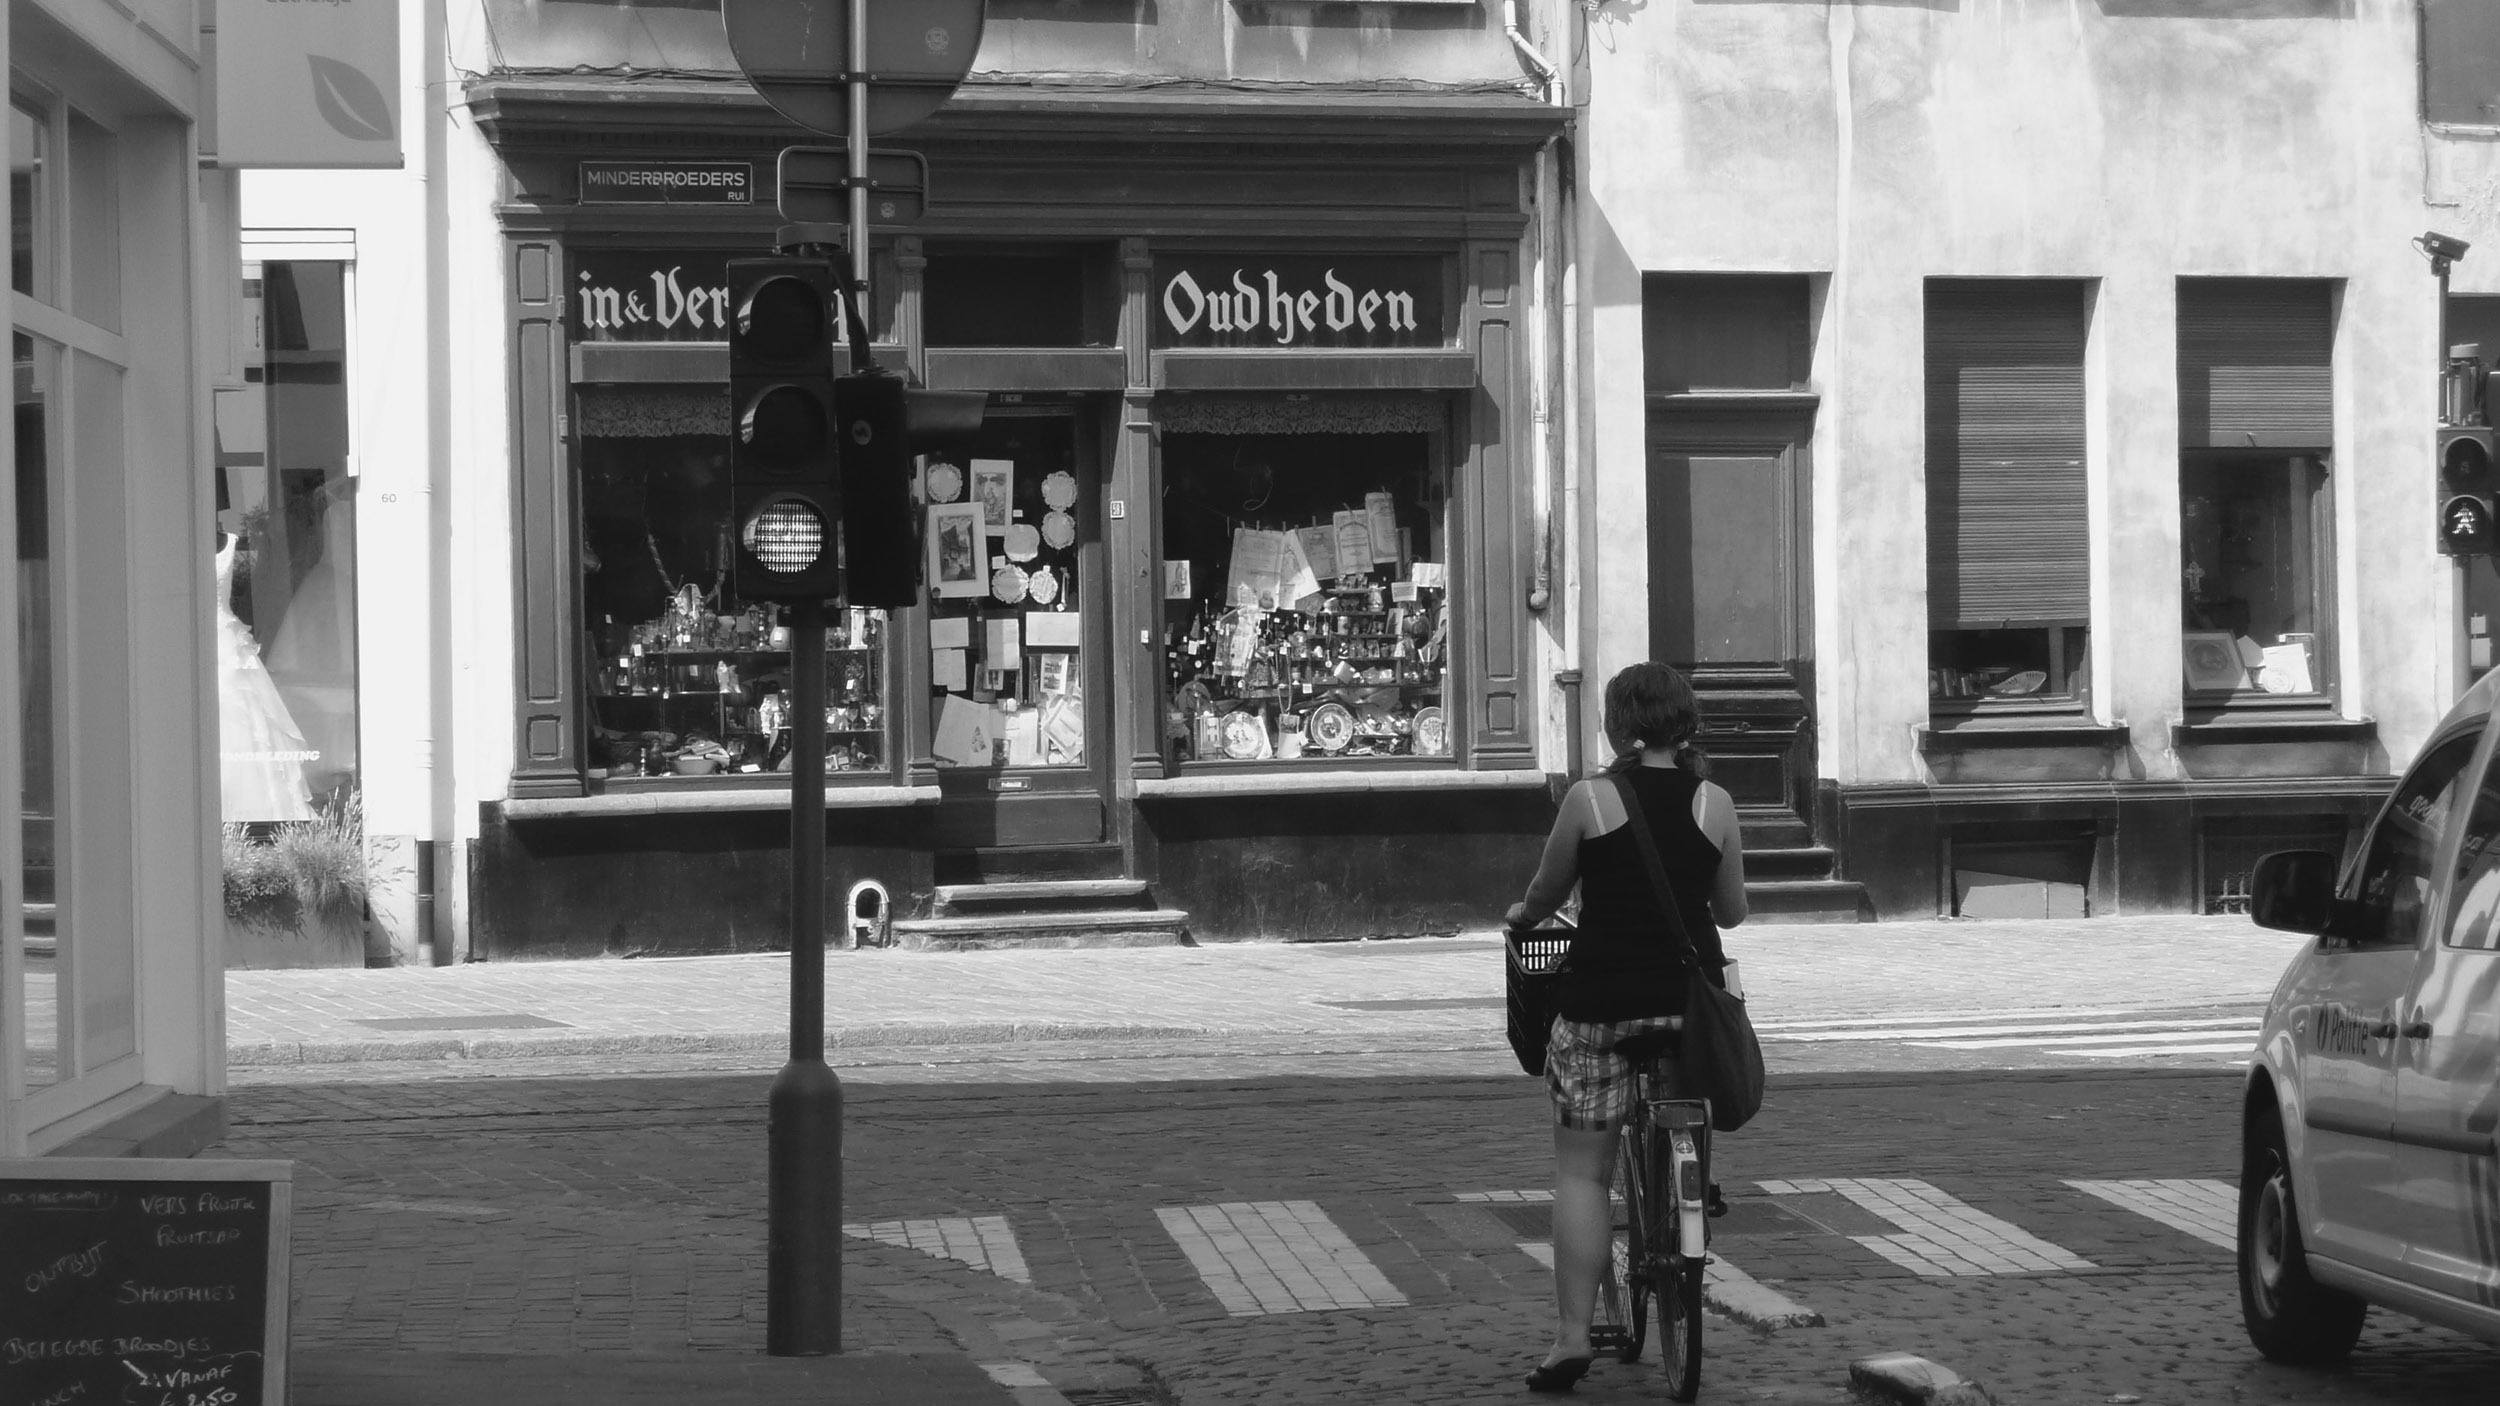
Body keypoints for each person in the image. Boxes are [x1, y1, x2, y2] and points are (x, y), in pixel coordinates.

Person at [1504, 661, 1747, 1393]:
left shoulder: (1590, 797)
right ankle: (1687, 1192)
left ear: (1616, 724)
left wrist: (1522, 916)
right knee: (1682, 1109)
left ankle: (1572, 1337)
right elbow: (1731, 911)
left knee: (1583, 1170)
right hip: (1688, 1005)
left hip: (1600, 1005)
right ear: (1686, 723)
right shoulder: (1716, 802)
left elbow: (1547, 893)